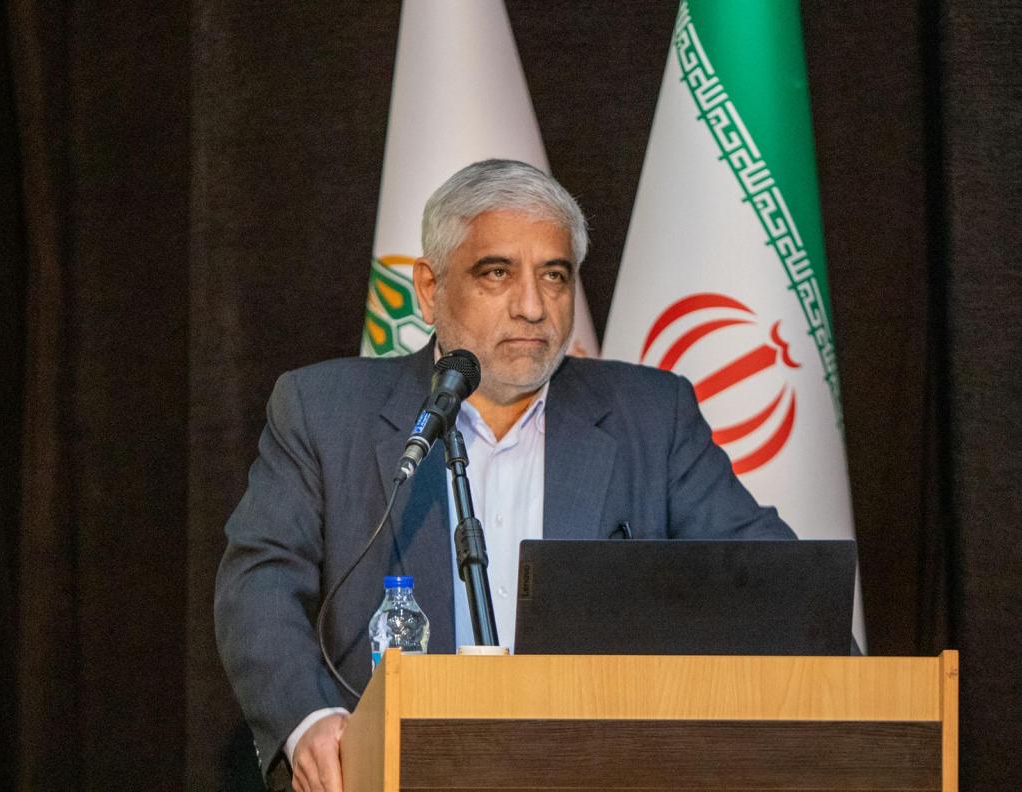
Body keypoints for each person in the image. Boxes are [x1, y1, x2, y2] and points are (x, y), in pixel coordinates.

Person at [214, 159, 795, 792]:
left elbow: (775, 582)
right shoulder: (324, 411)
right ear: (430, 289)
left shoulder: (652, 416)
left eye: (554, 275)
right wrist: (309, 720)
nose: (533, 307)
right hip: (392, 770)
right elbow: (259, 582)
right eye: (497, 273)